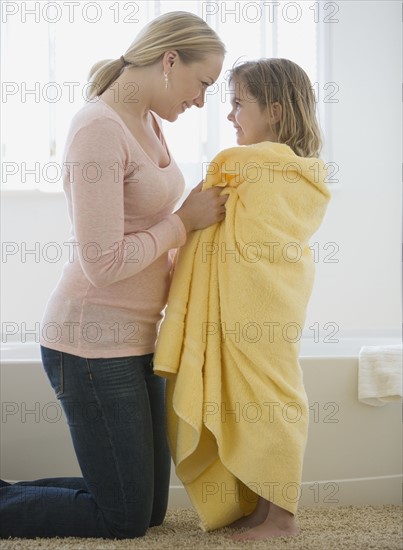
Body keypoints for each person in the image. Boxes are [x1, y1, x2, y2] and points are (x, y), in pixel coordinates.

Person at [0, 11, 226, 539]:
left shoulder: (147, 120)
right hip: (90, 344)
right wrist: (183, 222)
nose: (200, 100)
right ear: (170, 61)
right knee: (123, 518)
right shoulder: (98, 128)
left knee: (148, 510)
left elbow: (152, 227)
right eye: (202, 84)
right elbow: (101, 264)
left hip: (138, 338)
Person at [153, 58, 331, 541]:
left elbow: (270, 238)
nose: (230, 115)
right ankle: (258, 505)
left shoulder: (267, 169)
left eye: (238, 104)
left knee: (274, 399)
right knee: (247, 399)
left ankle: (283, 517)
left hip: (267, 303)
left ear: (274, 110)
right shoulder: (251, 168)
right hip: (245, 304)